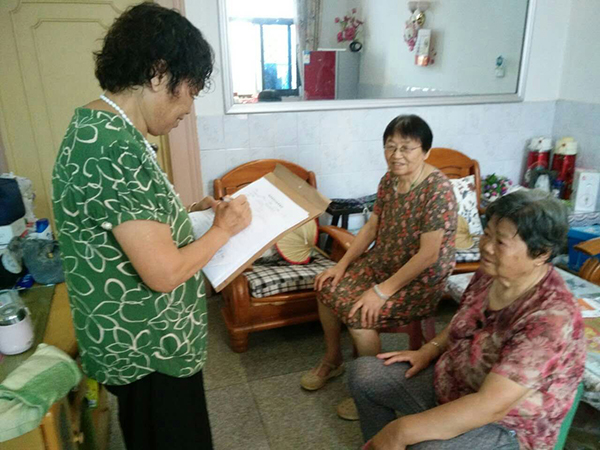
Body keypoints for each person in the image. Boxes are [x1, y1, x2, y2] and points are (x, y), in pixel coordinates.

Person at [52, 4, 251, 450]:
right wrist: (222, 231)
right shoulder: (111, 146)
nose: (189, 108)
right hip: (148, 353)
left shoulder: (105, 130)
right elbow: (162, 273)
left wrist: (189, 213)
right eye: (191, 90)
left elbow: (129, 220)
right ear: (159, 74)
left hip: (144, 344)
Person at [349, 190, 586, 450]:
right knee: (365, 375)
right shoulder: (490, 273)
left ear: (541, 253)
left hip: (506, 424)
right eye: (487, 234)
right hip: (454, 383)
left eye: (500, 242)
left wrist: (400, 431)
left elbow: (491, 406)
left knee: (423, 446)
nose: (486, 247)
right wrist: (429, 350)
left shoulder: (550, 318)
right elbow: (466, 320)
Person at [301, 115, 458, 420]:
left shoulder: (438, 190)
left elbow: (428, 255)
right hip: (383, 262)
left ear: (426, 151)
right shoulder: (389, 180)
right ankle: (333, 360)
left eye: (406, 148)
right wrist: (341, 265)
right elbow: (372, 227)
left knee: (362, 316)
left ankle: (370, 391)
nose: (396, 155)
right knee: (325, 285)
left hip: (419, 279)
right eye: (390, 146)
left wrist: (381, 292)